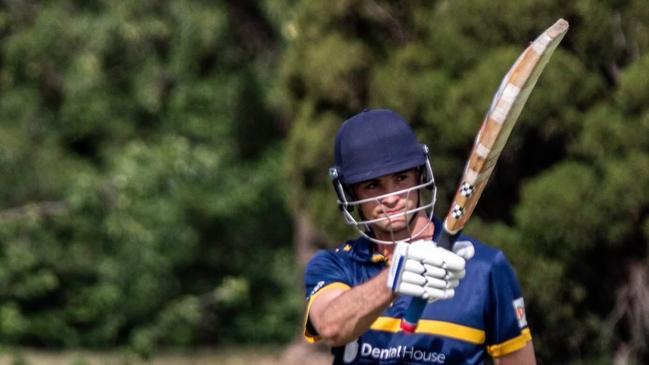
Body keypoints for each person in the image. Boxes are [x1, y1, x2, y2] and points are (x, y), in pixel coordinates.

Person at [303, 109, 536, 364]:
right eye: (372, 185)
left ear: (420, 174)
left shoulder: (485, 267)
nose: (391, 198)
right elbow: (330, 326)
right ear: (351, 194)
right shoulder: (335, 265)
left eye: (401, 178)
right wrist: (393, 280)